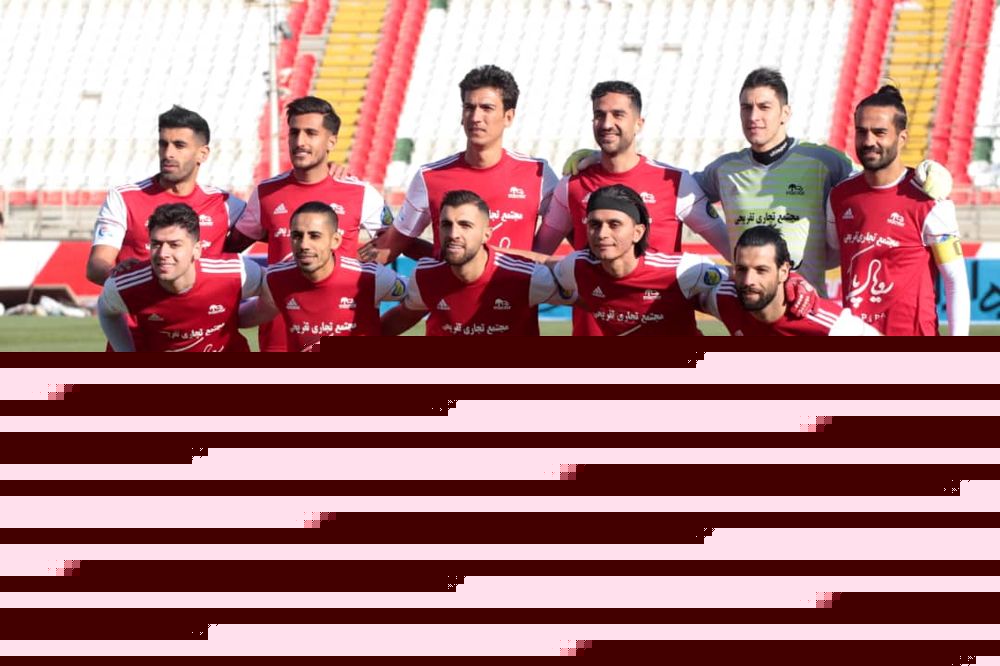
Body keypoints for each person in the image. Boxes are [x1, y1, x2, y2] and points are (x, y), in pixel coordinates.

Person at [533, 80, 732, 335]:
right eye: (599, 115)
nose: (606, 124)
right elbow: (538, 257)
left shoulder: (674, 182)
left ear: (639, 123)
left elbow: (731, 250)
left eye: (618, 114)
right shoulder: (572, 184)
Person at [223, 96, 390, 351]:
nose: (300, 141)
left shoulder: (361, 193)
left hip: (341, 332)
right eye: (294, 132)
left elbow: (393, 242)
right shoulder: (266, 193)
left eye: (311, 133)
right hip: (279, 337)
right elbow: (230, 247)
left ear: (331, 141)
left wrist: (360, 272)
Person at [360, 65, 559, 264]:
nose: (476, 117)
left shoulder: (538, 174)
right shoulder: (430, 177)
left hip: (517, 285)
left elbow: (571, 243)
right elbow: (391, 247)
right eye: (469, 108)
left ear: (508, 117)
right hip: (445, 286)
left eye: (487, 108)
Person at [826, 85, 970, 336]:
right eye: (861, 131)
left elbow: (955, 281)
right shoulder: (839, 196)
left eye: (879, 132)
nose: (868, 141)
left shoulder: (929, 201)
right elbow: (831, 254)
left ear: (902, 138)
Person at [86, 105, 245, 286]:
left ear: (202, 154)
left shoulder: (225, 204)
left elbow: (269, 229)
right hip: (142, 303)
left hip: (204, 304)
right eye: (163, 144)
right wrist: (121, 276)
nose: (168, 153)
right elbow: (97, 266)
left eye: (179, 145)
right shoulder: (124, 198)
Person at [544, 184, 728, 336]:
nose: (602, 234)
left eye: (614, 224)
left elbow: (739, 283)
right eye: (594, 224)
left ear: (638, 232)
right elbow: (539, 267)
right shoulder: (576, 266)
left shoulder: (682, 270)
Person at [380, 190, 570, 336]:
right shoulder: (425, 275)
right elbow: (404, 315)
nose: (453, 234)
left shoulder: (526, 277)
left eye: (465, 225)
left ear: (486, 234)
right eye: (446, 225)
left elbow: (584, 297)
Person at [239, 202, 407, 350]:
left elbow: (414, 298)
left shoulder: (368, 277)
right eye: (297, 236)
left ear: (335, 241)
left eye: (315, 236)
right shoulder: (276, 279)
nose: (304, 245)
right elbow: (260, 311)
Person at [98, 203, 262, 352]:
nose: (163, 253)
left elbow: (271, 289)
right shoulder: (128, 284)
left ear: (197, 249)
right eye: (156, 244)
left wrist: (235, 318)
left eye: (174, 245)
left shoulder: (235, 272)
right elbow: (105, 310)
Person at [704, 225, 881, 335]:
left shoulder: (823, 322)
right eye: (742, 269)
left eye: (761, 270)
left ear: (784, 272)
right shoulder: (725, 298)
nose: (748, 280)